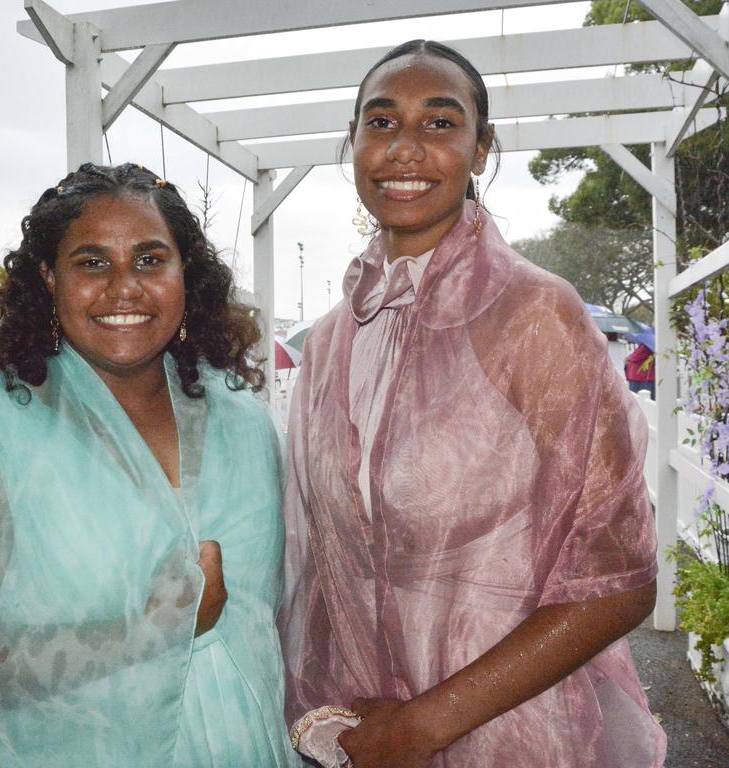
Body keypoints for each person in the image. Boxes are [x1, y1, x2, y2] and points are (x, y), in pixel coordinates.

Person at [281, 40, 666, 768]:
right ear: (354, 143)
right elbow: (322, 564)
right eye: (382, 122)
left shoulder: (532, 314)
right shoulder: (331, 341)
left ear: (481, 148)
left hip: (507, 734)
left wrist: (423, 727)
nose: (405, 150)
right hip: (366, 730)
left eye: (439, 123)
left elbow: (620, 580)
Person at [0, 163, 298, 767]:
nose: (124, 287)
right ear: (48, 277)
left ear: (186, 273)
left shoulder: (240, 417)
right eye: (93, 262)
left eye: (150, 259)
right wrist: (155, 629)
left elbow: (275, 616)